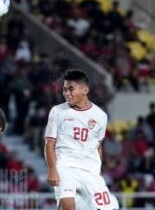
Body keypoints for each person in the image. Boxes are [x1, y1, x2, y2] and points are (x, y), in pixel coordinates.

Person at [44, 69, 114, 210]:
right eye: (64, 90)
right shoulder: (57, 111)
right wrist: (52, 169)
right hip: (65, 167)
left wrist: (98, 170)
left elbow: (98, 145)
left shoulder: (100, 116)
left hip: (90, 169)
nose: (66, 94)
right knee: (68, 206)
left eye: (71, 89)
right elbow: (49, 143)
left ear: (85, 90)